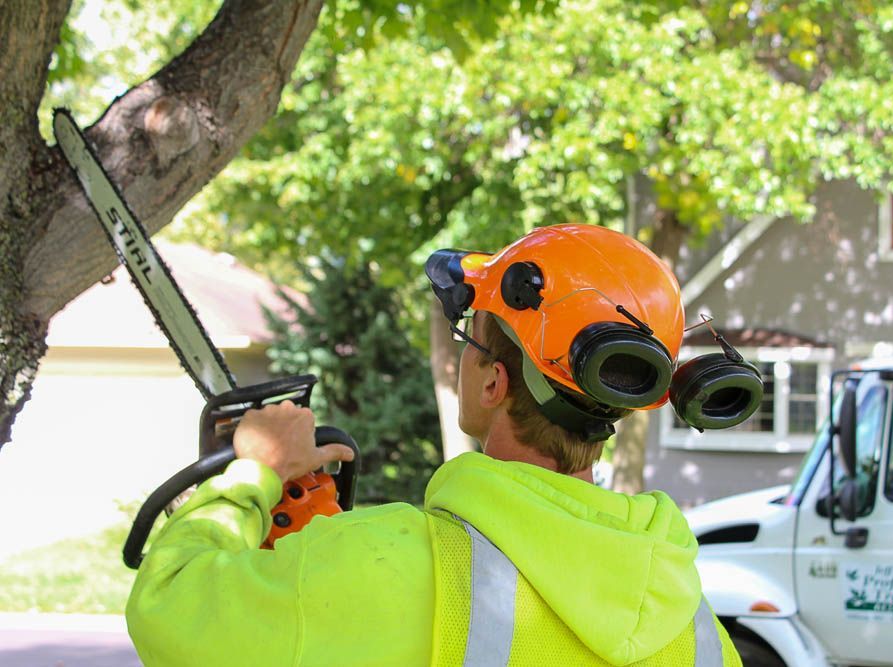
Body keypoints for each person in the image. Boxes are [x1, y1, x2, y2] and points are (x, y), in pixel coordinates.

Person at [127, 224, 760, 666]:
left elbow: (172, 611)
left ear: (492, 379)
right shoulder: (688, 617)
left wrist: (253, 476)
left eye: (471, 337)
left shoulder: (397, 566)